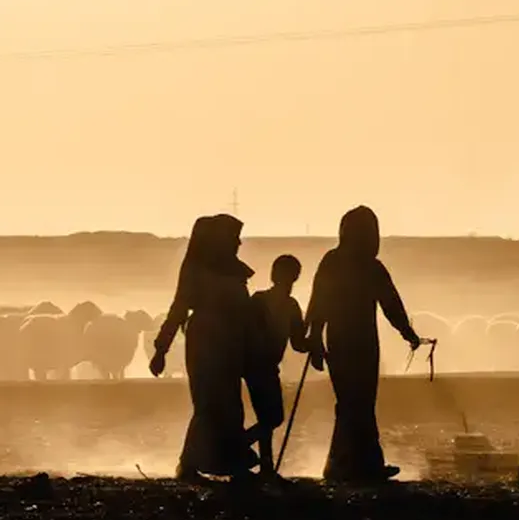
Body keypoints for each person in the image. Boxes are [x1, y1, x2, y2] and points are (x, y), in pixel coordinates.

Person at [303, 205, 422, 483]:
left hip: (344, 340)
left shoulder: (333, 261)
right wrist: (408, 333)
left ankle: (346, 464)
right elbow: (391, 304)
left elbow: (318, 302)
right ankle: (359, 465)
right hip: (359, 341)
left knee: (351, 402)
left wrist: (314, 337)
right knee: (358, 402)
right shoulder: (369, 266)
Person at [149, 213, 256, 480]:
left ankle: (231, 464)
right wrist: (161, 349)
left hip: (229, 343)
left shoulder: (231, 269)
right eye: (234, 237)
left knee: (230, 404)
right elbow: (179, 309)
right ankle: (188, 464)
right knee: (209, 403)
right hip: (207, 342)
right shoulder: (198, 271)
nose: (239, 243)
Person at [245, 254, 309, 477]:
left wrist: (313, 339)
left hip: (262, 366)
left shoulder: (283, 304)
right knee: (273, 418)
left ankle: (265, 466)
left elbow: (299, 343)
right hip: (257, 365)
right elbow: (300, 344)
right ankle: (238, 447)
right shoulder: (264, 301)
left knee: (268, 418)